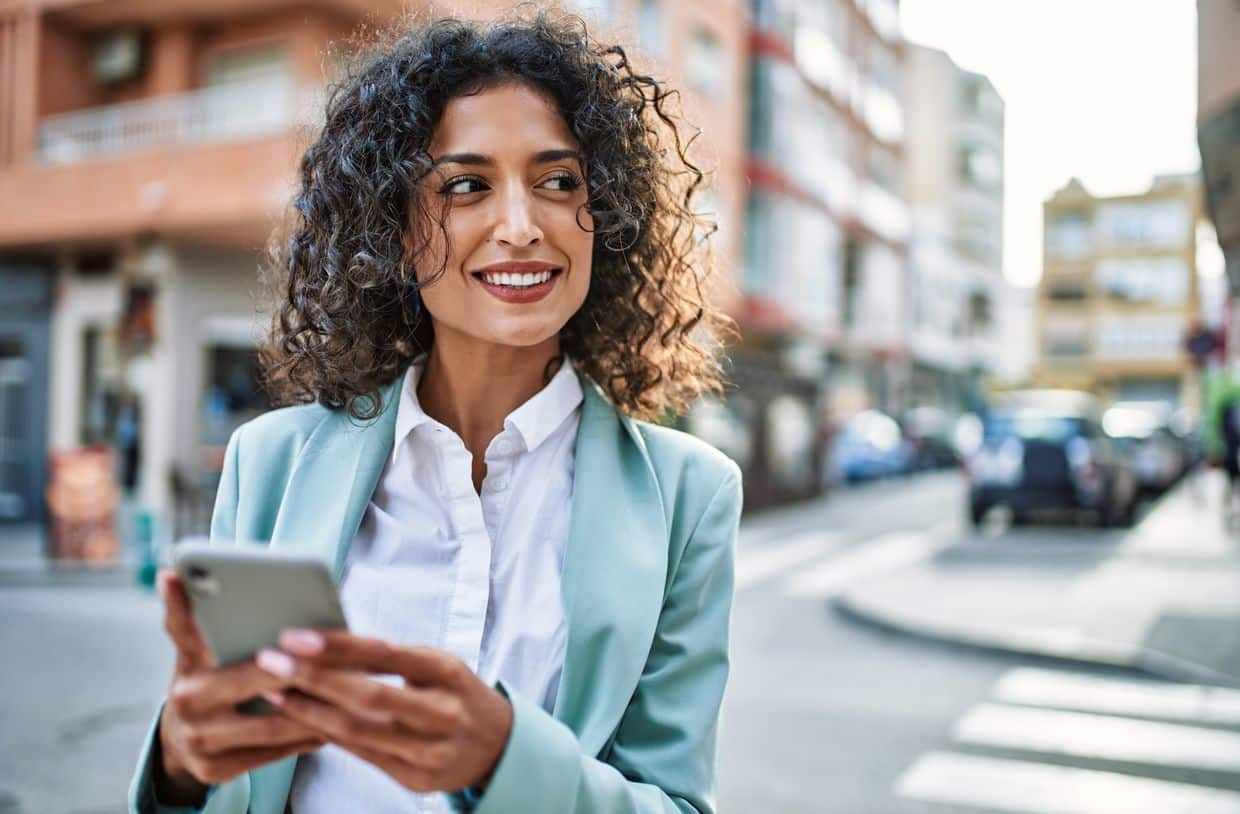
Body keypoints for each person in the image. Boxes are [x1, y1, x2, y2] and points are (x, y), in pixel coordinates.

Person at [128, 11, 741, 814]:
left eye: (560, 181)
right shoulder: (271, 462)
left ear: (608, 215)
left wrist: (507, 758)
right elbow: (231, 768)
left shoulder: (689, 499)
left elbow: (677, 803)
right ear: (396, 226)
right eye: (465, 185)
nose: (522, 225)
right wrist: (180, 762)